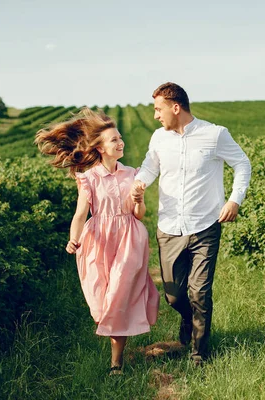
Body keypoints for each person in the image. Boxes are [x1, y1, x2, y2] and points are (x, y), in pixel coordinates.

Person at [131, 82, 251, 365]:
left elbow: (242, 164)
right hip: (169, 228)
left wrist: (235, 200)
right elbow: (150, 167)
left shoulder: (215, 134)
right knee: (175, 297)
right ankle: (188, 319)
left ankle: (199, 353)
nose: (156, 116)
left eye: (158, 109)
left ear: (176, 107)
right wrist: (139, 184)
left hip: (205, 226)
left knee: (200, 292)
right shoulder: (159, 138)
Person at [34, 108, 159, 376]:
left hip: (129, 241)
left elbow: (139, 215)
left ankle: (116, 362)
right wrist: (73, 239)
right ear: (100, 148)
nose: (120, 142)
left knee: (118, 297)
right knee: (102, 301)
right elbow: (80, 214)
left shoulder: (132, 175)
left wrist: (138, 201)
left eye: (120, 137)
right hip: (98, 242)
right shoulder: (88, 178)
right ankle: (116, 350)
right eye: (114, 140)